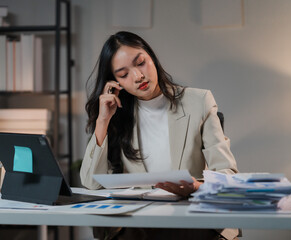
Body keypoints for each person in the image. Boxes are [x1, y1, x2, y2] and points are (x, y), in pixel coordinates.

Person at [80, 31, 239, 240]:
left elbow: (228, 174)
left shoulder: (198, 101)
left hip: (190, 218)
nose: (138, 77)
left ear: (151, 57)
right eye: (124, 74)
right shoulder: (117, 116)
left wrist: (197, 187)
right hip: (141, 223)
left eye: (140, 63)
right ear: (115, 82)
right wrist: (103, 121)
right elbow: (92, 183)